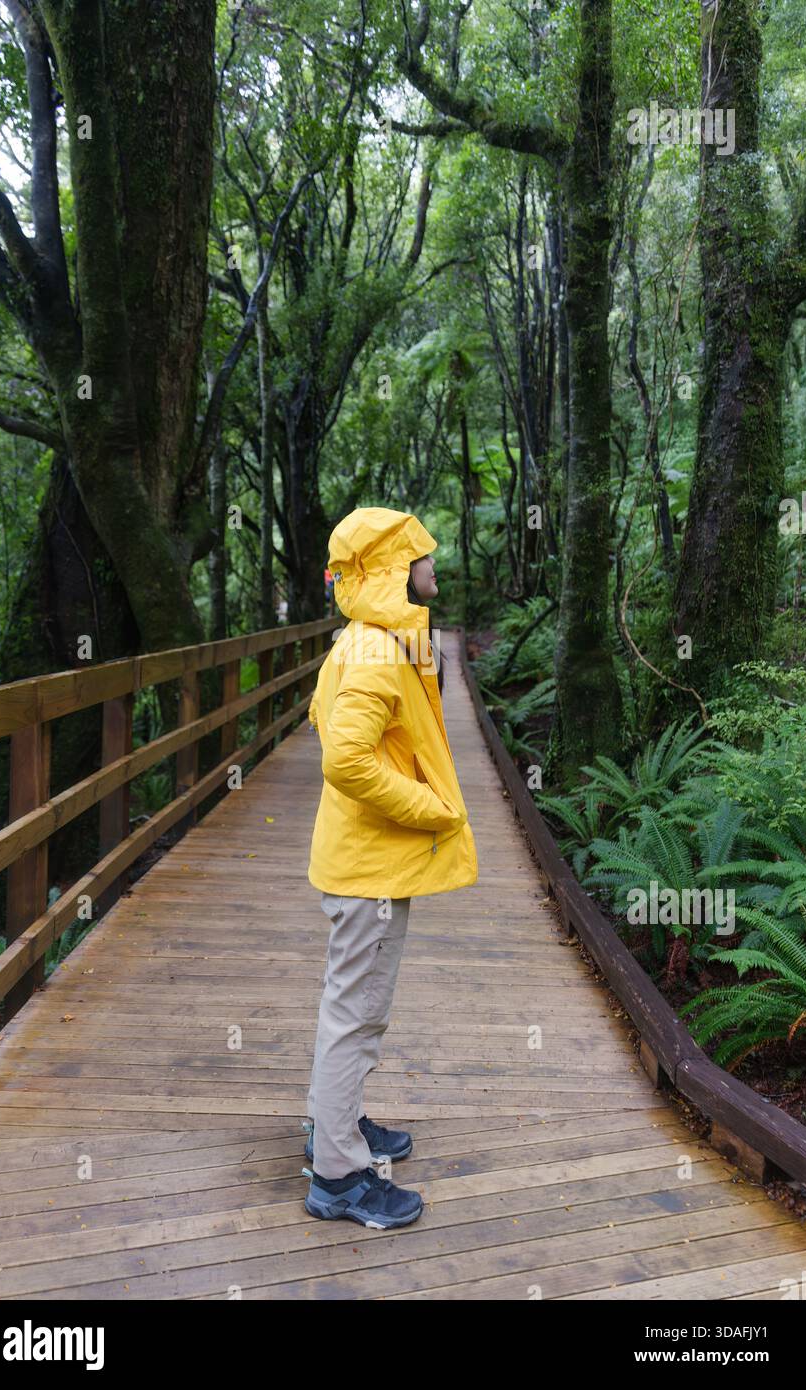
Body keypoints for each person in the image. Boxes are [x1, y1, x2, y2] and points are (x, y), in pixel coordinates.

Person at [302, 507, 478, 1230]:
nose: (435, 564)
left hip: (365, 862)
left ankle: (338, 1126)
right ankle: (339, 1176)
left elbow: (326, 718)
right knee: (355, 1012)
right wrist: (430, 809)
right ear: (391, 569)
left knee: (357, 1009)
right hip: (368, 868)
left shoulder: (372, 638)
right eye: (422, 554)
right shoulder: (376, 649)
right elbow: (343, 756)